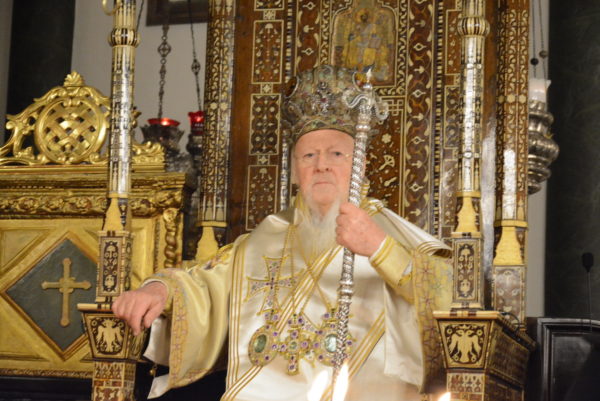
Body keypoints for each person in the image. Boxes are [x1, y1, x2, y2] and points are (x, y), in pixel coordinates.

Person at [113, 64, 453, 401]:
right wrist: (160, 290)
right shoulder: (267, 237)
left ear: (360, 165)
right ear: (294, 170)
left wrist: (381, 249)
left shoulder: (394, 235)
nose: (321, 165)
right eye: (309, 155)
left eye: (336, 154)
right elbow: (205, 284)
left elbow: (453, 300)